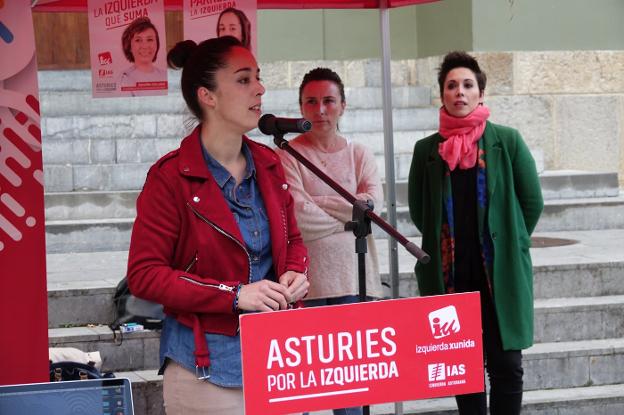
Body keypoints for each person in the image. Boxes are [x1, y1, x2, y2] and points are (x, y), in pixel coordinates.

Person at [126, 36, 309, 415]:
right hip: (205, 367)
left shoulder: (270, 164)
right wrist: (233, 294)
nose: (260, 88)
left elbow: (293, 238)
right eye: (243, 80)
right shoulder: (170, 177)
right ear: (207, 96)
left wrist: (295, 271)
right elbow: (145, 274)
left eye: (258, 77)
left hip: (278, 360)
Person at [408, 51, 544, 415]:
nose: (459, 92)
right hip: (452, 276)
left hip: (498, 274)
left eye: (467, 85)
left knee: (507, 367)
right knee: (463, 370)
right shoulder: (427, 151)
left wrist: (509, 240)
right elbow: (421, 212)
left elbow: (531, 202)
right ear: (443, 95)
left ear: (480, 93)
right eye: (451, 85)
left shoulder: (507, 142)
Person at [278, 67, 384, 415]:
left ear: (343, 106)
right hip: (305, 283)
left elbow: (371, 209)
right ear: (301, 107)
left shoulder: (360, 154)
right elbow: (298, 216)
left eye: (328, 101)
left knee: (349, 392)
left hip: (354, 279)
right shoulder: (287, 154)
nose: (320, 109)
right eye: (311, 102)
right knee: (303, 391)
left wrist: (322, 202)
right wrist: (348, 214)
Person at [119, 17, 167, 96]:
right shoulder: (125, 79)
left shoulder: (165, 75)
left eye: (150, 40)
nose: (145, 46)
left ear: (157, 44)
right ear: (129, 46)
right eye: (138, 40)